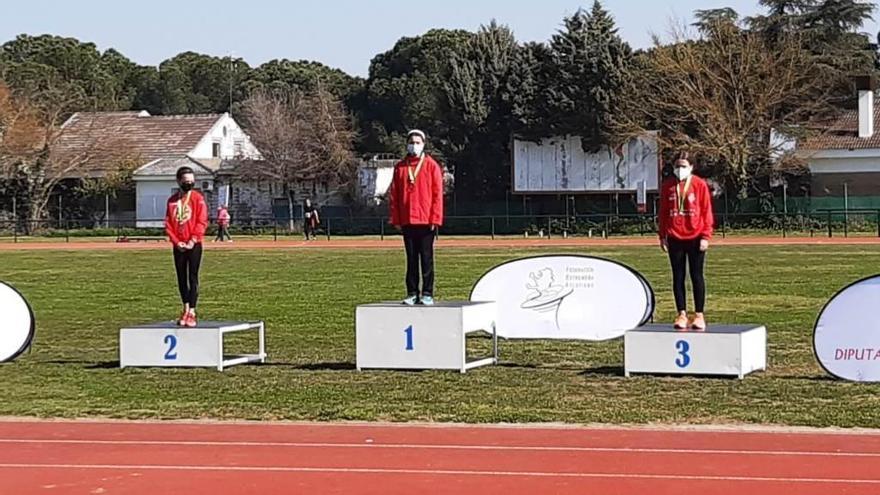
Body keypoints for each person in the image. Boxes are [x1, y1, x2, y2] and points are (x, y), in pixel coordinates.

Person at [659, 151, 714, 330]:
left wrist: (706, 235)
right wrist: (662, 236)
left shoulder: (699, 185)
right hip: (675, 236)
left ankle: (699, 315)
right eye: (677, 166)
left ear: (691, 167)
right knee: (678, 276)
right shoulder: (668, 186)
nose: (680, 169)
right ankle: (681, 313)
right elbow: (663, 213)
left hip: (696, 236)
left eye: (683, 166)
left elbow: (706, 211)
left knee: (696, 275)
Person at [388, 129, 444, 306]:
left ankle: (427, 293)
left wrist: (435, 219)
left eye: (418, 142)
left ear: (424, 144)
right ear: (407, 144)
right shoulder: (400, 167)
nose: (414, 145)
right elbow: (394, 196)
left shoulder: (431, 165)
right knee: (411, 259)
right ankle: (412, 293)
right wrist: (396, 219)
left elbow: (437, 194)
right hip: (407, 220)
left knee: (426, 258)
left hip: (426, 221)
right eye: (411, 142)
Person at [165, 166, 209, 327]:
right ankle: (184, 308)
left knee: (193, 277)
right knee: (181, 278)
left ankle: (192, 311)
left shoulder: (198, 199)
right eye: (185, 182)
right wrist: (177, 242)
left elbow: (201, 221)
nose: (188, 184)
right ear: (178, 181)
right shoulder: (172, 201)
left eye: (191, 182)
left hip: (194, 244)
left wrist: (193, 240)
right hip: (179, 245)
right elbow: (168, 224)